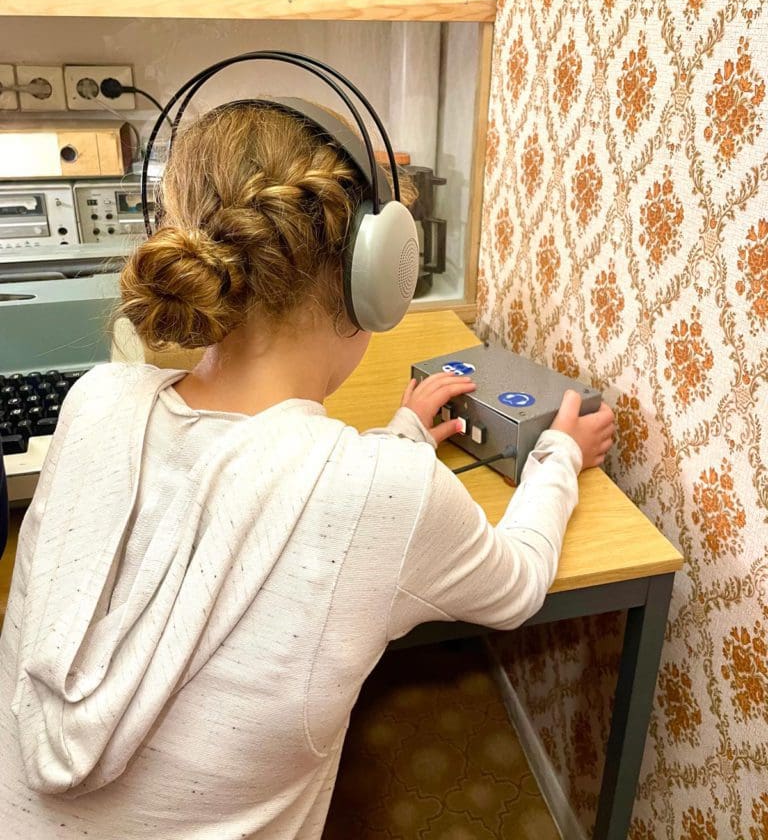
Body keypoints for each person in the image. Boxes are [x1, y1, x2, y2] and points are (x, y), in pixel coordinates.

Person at [0, 102, 614, 839]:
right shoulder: (381, 491)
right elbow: (516, 587)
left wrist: (402, 437)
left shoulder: (95, 402)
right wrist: (560, 456)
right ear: (379, 276)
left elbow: (264, 490)